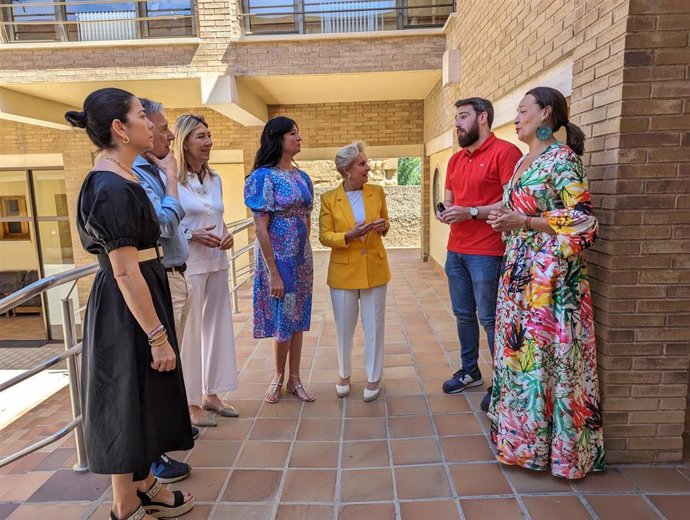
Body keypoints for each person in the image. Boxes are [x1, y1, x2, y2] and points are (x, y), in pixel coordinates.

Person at [67, 88, 193, 520]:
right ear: (120, 129)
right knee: (125, 394)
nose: (151, 123)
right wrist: (157, 336)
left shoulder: (123, 174)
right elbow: (123, 270)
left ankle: (144, 486)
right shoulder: (109, 187)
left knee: (142, 394)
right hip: (128, 305)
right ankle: (124, 503)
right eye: (142, 115)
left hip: (140, 293)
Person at [486, 86, 604, 479]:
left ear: (546, 114)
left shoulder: (562, 159)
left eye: (522, 111)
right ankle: (520, 444)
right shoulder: (523, 160)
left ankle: (555, 453)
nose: (516, 118)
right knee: (520, 357)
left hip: (551, 279)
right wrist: (492, 215)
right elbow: (515, 209)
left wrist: (526, 222)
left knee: (547, 361)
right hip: (519, 271)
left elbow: (586, 222)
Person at [437, 97, 522, 412]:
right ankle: (470, 371)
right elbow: (449, 200)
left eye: (463, 116)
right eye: (456, 117)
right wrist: (445, 212)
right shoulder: (456, 160)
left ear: (482, 118)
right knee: (463, 315)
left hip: (488, 251)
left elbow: (512, 204)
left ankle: (500, 383)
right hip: (455, 250)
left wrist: (470, 212)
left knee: (490, 319)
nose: (457, 123)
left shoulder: (506, 153)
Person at [131, 98, 198, 484]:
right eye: (161, 127)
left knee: (173, 359)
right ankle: (154, 456)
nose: (170, 134)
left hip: (176, 274)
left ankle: (169, 433)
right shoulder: (142, 173)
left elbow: (176, 227)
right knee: (159, 365)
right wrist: (172, 177)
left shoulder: (153, 169)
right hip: (162, 279)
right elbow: (161, 227)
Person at [173, 113, 239, 427]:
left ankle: (213, 393)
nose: (208, 142)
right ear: (184, 142)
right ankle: (189, 401)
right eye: (200, 136)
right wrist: (191, 234)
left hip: (216, 261)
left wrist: (226, 238)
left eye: (209, 136)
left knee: (218, 326)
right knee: (192, 335)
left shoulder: (215, 179)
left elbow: (219, 216)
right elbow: (169, 224)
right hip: (190, 264)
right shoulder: (171, 179)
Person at [244, 116, 315, 404]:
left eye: (298, 133)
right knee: (282, 317)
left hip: (301, 258)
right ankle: (277, 376)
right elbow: (261, 228)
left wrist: (303, 251)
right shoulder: (263, 177)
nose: (299, 138)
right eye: (293, 134)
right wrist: (273, 272)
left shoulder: (302, 176)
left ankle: (295, 379)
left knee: (298, 317)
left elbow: (308, 216)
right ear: (278, 139)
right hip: (278, 259)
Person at [319, 141, 390, 402]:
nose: (368, 167)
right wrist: (348, 235)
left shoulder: (377, 192)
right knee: (344, 329)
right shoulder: (328, 199)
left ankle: (373, 377)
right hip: (343, 273)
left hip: (375, 268)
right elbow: (324, 236)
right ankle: (344, 374)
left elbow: (386, 225)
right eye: (362, 164)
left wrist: (382, 227)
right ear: (347, 170)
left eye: (366, 162)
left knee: (374, 327)